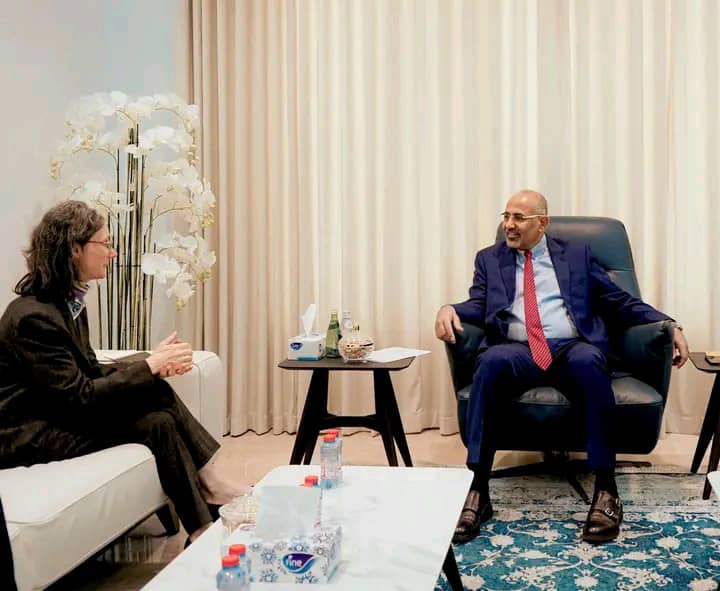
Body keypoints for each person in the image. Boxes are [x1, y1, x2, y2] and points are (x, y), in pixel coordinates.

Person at [435, 190, 689, 545]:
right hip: (517, 348)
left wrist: (669, 324)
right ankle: (478, 489)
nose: (509, 225)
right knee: (490, 364)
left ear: (542, 222)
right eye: (506, 216)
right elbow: (479, 303)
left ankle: (606, 489)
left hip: (570, 346)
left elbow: (618, 301)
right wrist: (450, 308)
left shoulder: (576, 255)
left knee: (590, 363)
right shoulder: (490, 259)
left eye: (518, 218)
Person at [0, 200, 248, 545]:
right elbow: (80, 396)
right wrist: (149, 367)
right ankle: (211, 486)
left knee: (158, 420)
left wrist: (151, 363)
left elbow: (89, 370)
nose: (113, 253)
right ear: (74, 249)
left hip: (57, 412)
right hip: (28, 433)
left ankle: (200, 526)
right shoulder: (33, 317)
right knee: (152, 388)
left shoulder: (65, 303)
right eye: (105, 243)